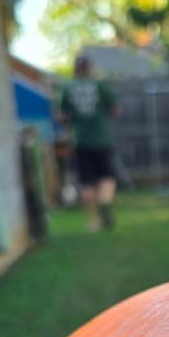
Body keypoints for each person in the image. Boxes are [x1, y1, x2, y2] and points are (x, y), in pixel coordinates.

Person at [59, 55, 121, 231]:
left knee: (86, 182)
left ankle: (92, 222)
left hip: (80, 141)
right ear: (90, 68)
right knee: (107, 178)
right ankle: (104, 201)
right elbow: (115, 109)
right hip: (101, 139)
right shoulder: (99, 86)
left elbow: (62, 115)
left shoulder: (68, 88)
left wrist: (74, 122)